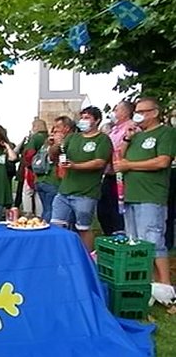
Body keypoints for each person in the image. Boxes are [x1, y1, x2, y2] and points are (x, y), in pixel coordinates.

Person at [114, 97, 175, 296]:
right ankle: (147, 282)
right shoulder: (136, 136)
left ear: (155, 112)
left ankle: (165, 286)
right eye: (136, 111)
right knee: (136, 241)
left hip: (151, 195)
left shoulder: (165, 133)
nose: (137, 115)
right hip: (131, 195)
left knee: (153, 239)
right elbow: (120, 159)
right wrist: (127, 139)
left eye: (142, 111)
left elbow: (162, 161)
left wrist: (130, 166)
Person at [50, 107, 111, 252]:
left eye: (87, 118)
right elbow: (54, 156)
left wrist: (76, 166)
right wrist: (56, 144)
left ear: (97, 120)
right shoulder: (73, 137)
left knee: (83, 228)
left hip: (86, 192)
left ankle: (88, 257)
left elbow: (100, 162)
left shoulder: (102, 139)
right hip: (64, 191)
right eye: (82, 117)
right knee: (56, 226)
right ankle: (60, 255)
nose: (83, 121)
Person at [101, 100, 135, 235]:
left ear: (126, 112)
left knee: (116, 208)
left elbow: (120, 149)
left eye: (117, 110)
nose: (114, 113)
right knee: (103, 209)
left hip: (120, 174)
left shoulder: (131, 128)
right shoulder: (114, 129)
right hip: (109, 173)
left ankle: (119, 235)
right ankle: (109, 236)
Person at [36, 116, 74, 222]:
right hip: (51, 181)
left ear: (66, 128)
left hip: (48, 181)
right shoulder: (50, 142)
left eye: (58, 127)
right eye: (54, 127)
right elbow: (53, 156)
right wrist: (57, 144)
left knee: (48, 211)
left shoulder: (73, 140)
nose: (55, 130)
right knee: (51, 212)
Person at [17, 120, 48, 216]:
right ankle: (40, 215)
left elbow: (29, 153)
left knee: (27, 192)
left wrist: (29, 165)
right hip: (46, 170)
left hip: (33, 169)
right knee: (39, 194)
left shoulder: (35, 138)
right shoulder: (48, 137)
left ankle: (28, 214)